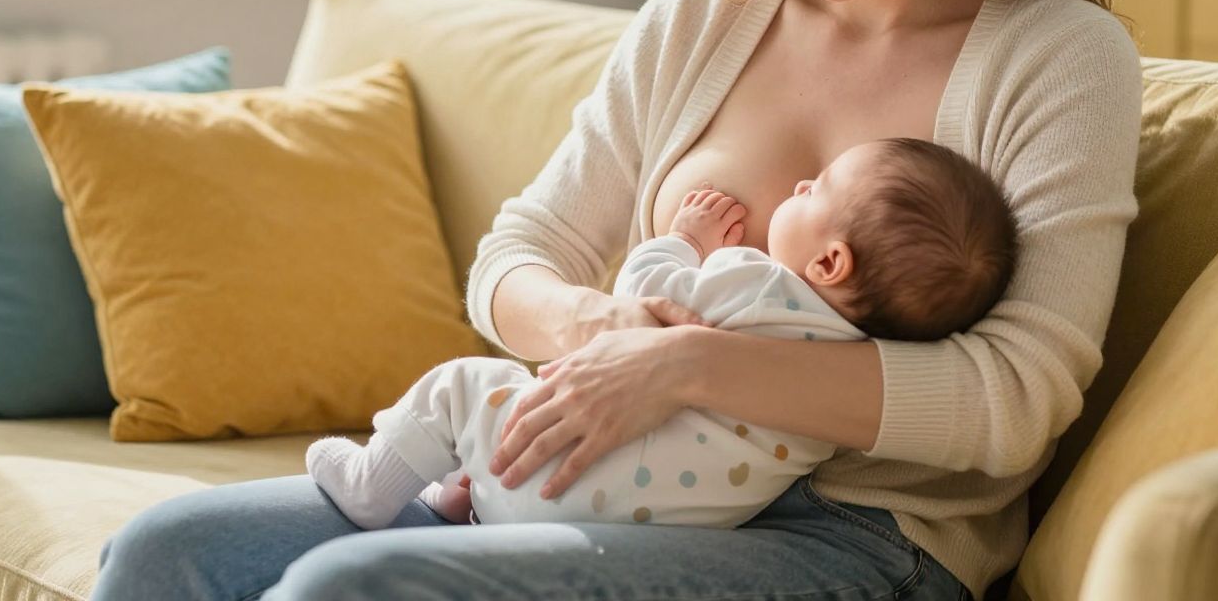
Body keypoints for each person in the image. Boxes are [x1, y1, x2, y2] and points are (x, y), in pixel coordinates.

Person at [91, 0, 1141, 601]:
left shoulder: (1055, 57)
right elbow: (516, 255)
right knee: (164, 551)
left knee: (360, 586)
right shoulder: (702, 16)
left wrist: (687, 367)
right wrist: (596, 332)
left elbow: (1016, 397)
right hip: (601, 475)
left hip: (857, 537)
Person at [306, 138, 1018, 532]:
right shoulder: (848, 385)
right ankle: (459, 498)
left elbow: (641, 305)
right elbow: (520, 254)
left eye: (818, 188)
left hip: (557, 477)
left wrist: (680, 240)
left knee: (466, 384)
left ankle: (376, 485)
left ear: (830, 262)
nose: (800, 186)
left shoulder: (755, 280)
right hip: (648, 526)